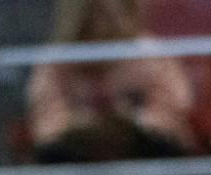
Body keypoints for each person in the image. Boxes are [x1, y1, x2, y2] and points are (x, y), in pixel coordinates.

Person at [29, 0, 198, 163]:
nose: (101, 22)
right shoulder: (58, 57)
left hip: (142, 149)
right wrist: (78, 125)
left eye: (108, 13)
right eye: (93, 14)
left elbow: (175, 106)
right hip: (76, 153)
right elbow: (46, 116)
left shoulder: (148, 54)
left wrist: (136, 120)